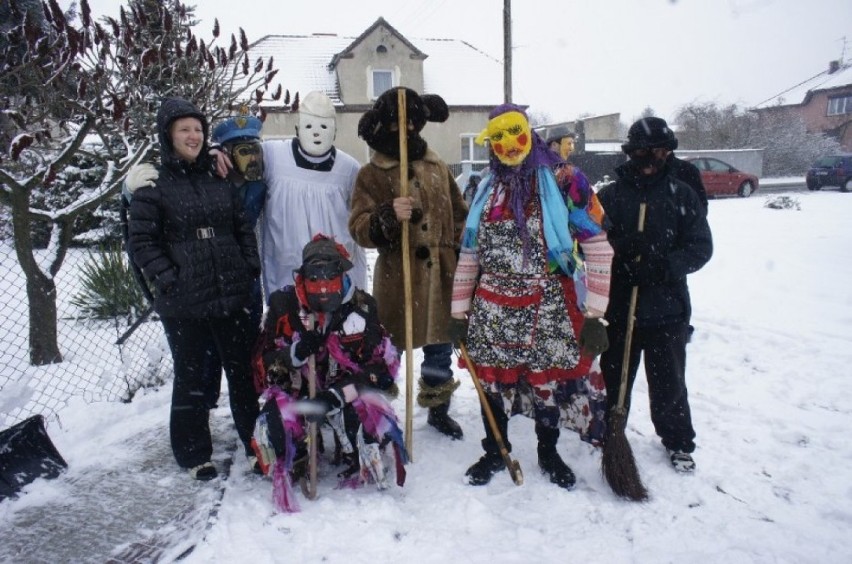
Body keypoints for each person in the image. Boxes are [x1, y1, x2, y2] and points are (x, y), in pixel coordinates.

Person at [448, 104, 613, 489]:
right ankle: (495, 449)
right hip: (492, 307)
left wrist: (595, 314)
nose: (508, 145)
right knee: (491, 383)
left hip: (548, 300)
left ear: (530, 133)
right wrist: (458, 312)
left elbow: (599, 245)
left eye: (515, 133)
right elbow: (470, 254)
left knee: (546, 384)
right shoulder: (486, 187)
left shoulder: (565, 179)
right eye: (498, 138)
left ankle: (548, 452)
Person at [127, 97, 261, 481]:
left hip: (231, 292)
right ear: (168, 134)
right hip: (184, 303)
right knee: (192, 379)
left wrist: (248, 266)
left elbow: (241, 227)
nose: (193, 136)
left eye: (198, 129)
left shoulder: (218, 177)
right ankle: (193, 453)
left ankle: (256, 444)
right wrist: (170, 278)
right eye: (184, 129)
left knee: (242, 374)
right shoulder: (152, 183)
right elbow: (142, 244)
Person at [349, 87, 469, 440]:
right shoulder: (372, 174)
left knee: (439, 348)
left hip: (441, 274)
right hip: (398, 277)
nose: (407, 131)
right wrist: (385, 215)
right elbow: (358, 226)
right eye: (398, 124)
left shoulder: (437, 167)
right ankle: (380, 413)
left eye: (413, 123)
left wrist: (461, 253)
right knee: (389, 349)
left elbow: (459, 214)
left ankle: (438, 409)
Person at [253, 235, 406, 509]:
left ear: (343, 274)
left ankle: (355, 454)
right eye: (315, 279)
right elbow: (264, 364)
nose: (323, 287)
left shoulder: (362, 307)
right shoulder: (283, 305)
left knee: (366, 421)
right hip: (300, 390)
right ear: (303, 278)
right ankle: (298, 453)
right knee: (277, 430)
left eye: (330, 278)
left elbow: (380, 371)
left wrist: (336, 395)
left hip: (346, 390)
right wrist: (296, 354)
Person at [597, 117, 713, 473]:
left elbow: (700, 247)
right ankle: (609, 433)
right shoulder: (610, 196)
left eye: (660, 151)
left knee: (669, 384)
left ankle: (677, 441)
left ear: (668, 153)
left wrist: (662, 266)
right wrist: (618, 254)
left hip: (667, 310)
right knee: (614, 381)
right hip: (619, 310)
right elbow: (589, 244)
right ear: (631, 152)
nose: (651, 158)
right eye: (644, 151)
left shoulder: (682, 195)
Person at [260, 90, 367, 295]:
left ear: (334, 131)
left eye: (323, 127)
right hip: (286, 271)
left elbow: (360, 219)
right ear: (298, 128)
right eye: (309, 126)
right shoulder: (272, 156)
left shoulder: (349, 169)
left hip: (334, 275)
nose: (316, 134)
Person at [623, 117, 708, 210]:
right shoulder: (627, 172)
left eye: (658, 150)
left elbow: (699, 209)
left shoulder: (686, 171)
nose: (652, 155)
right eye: (643, 151)